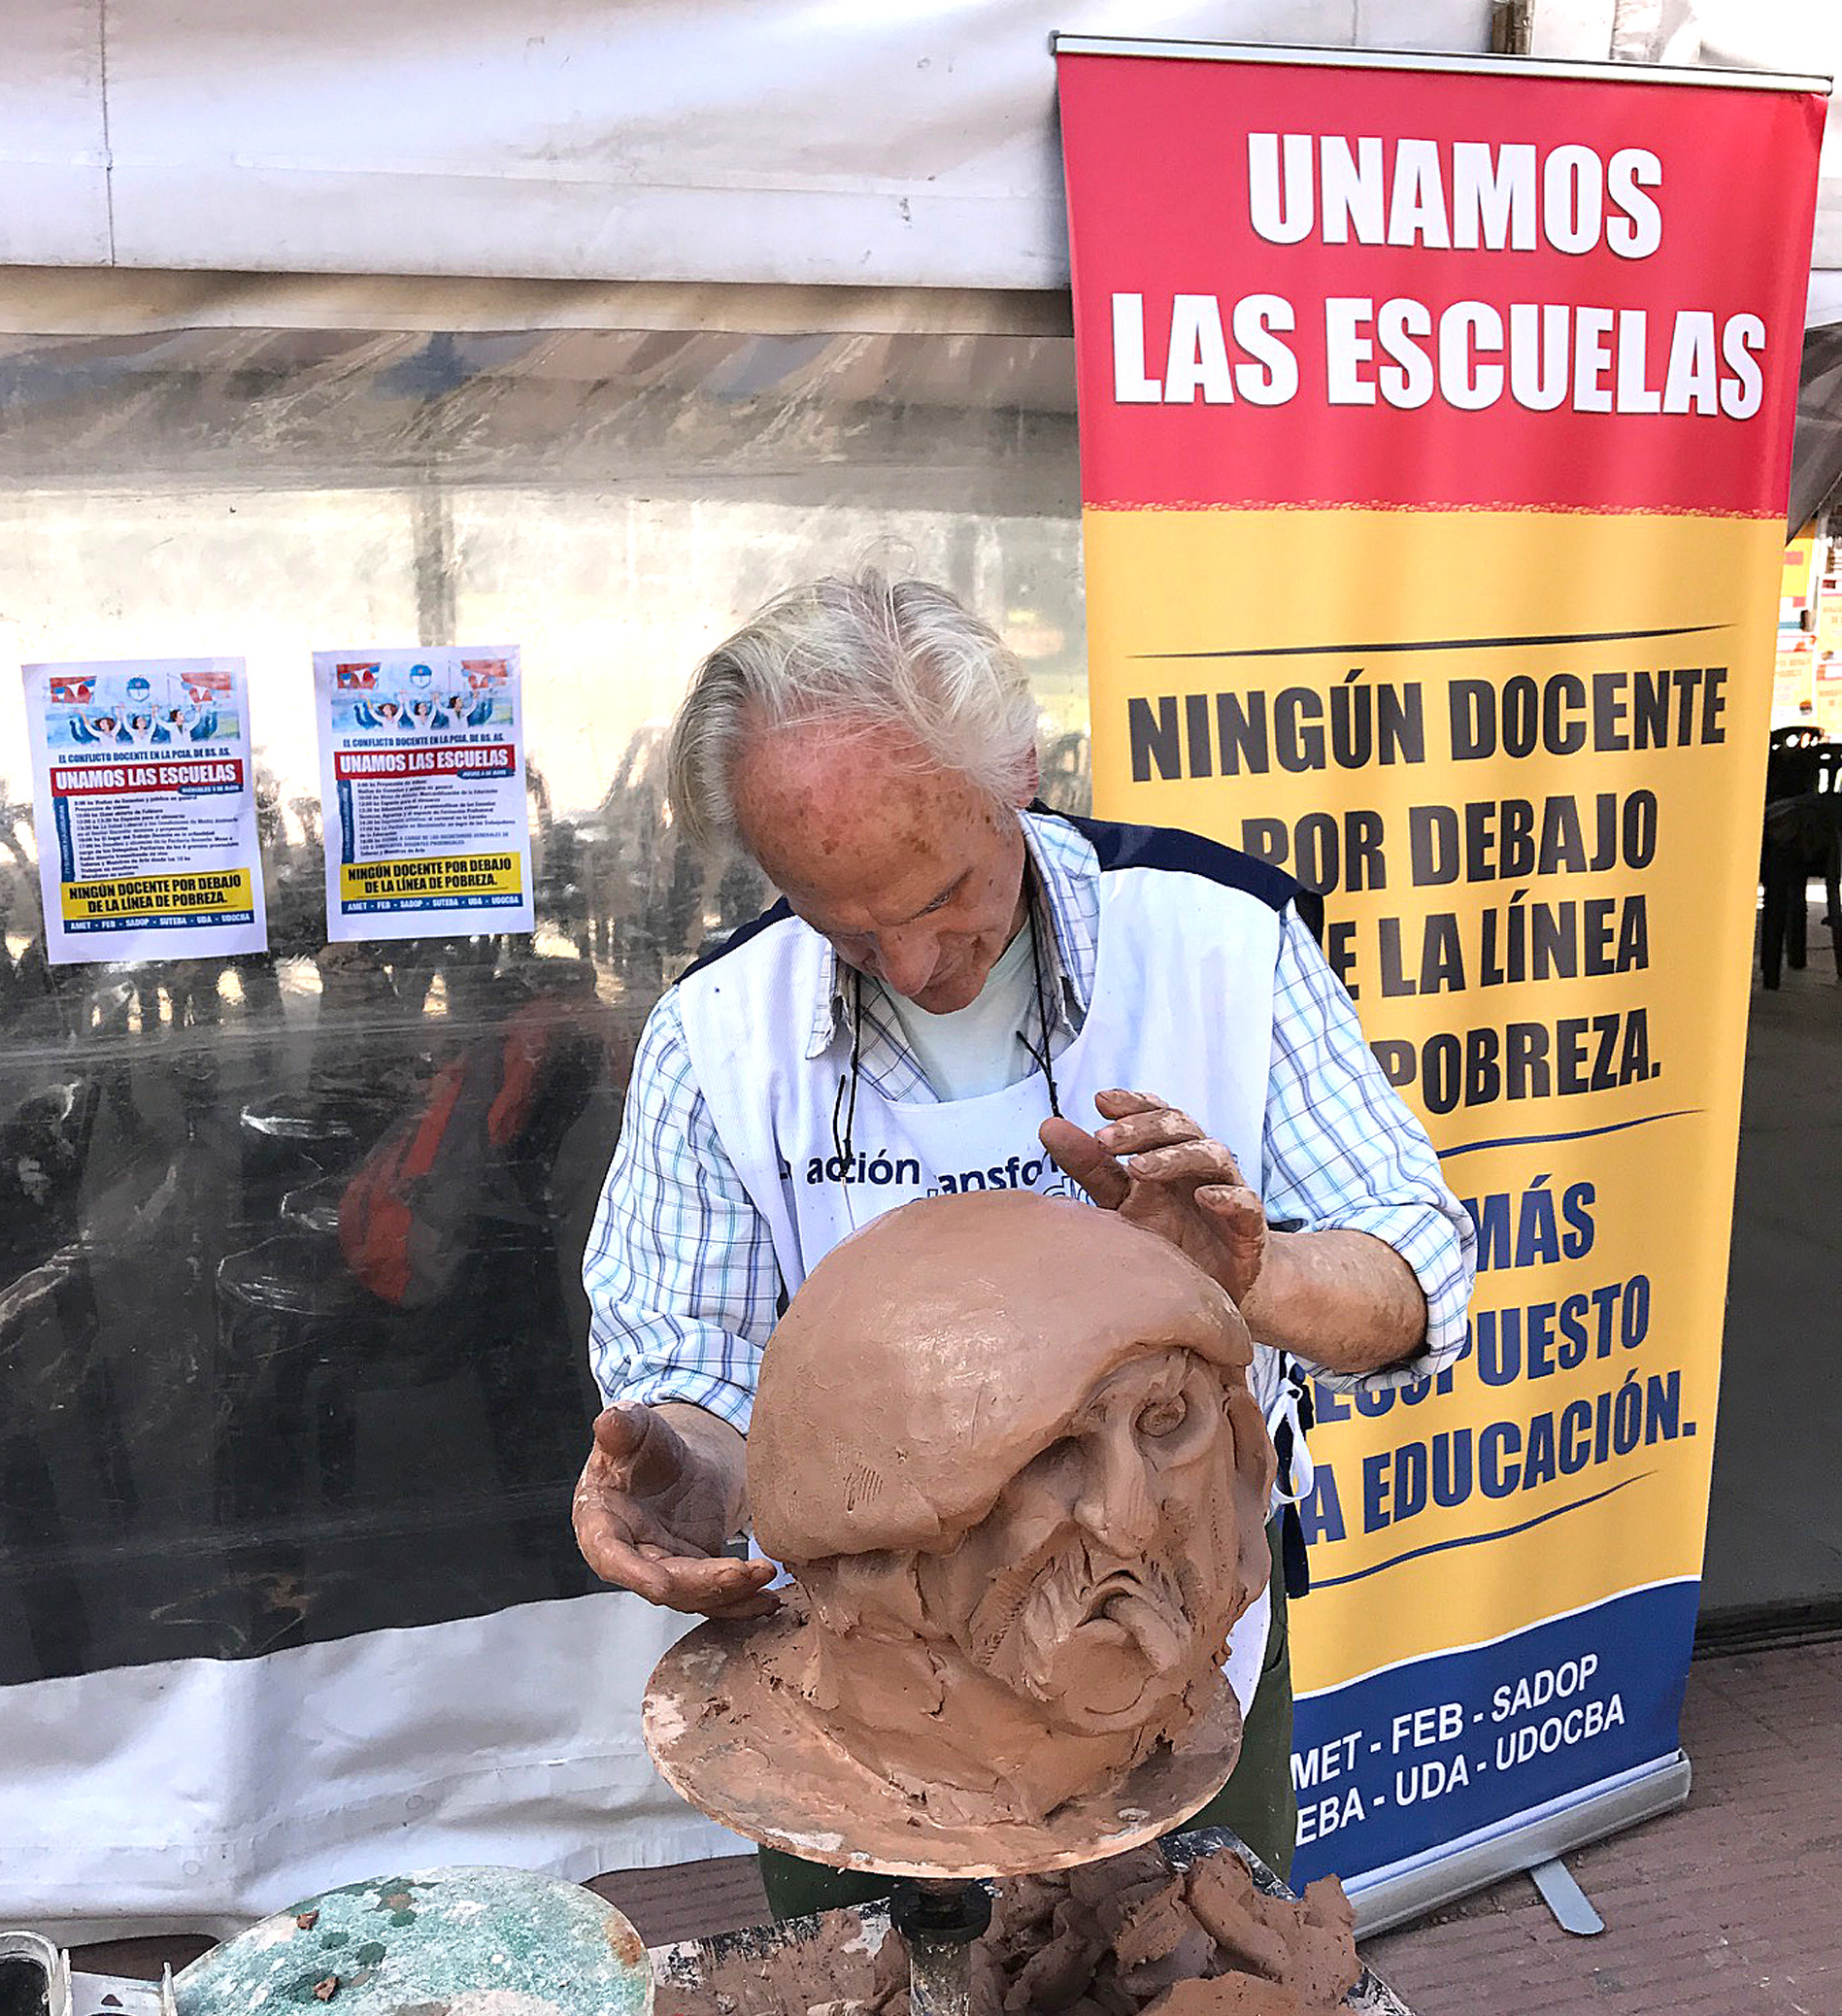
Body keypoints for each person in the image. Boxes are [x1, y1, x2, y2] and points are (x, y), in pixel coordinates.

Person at [576, 573, 1473, 1910]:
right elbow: (693, 1370)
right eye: (842, 924)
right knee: (875, 2013)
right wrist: (681, 1472)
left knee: (1191, 1999)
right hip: (873, 1710)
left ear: (1020, 777)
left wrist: (1254, 1277)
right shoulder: (718, 1035)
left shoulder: (1217, 943)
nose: (913, 965)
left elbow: (1415, 1277)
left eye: (946, 894)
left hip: (1163, 1665)